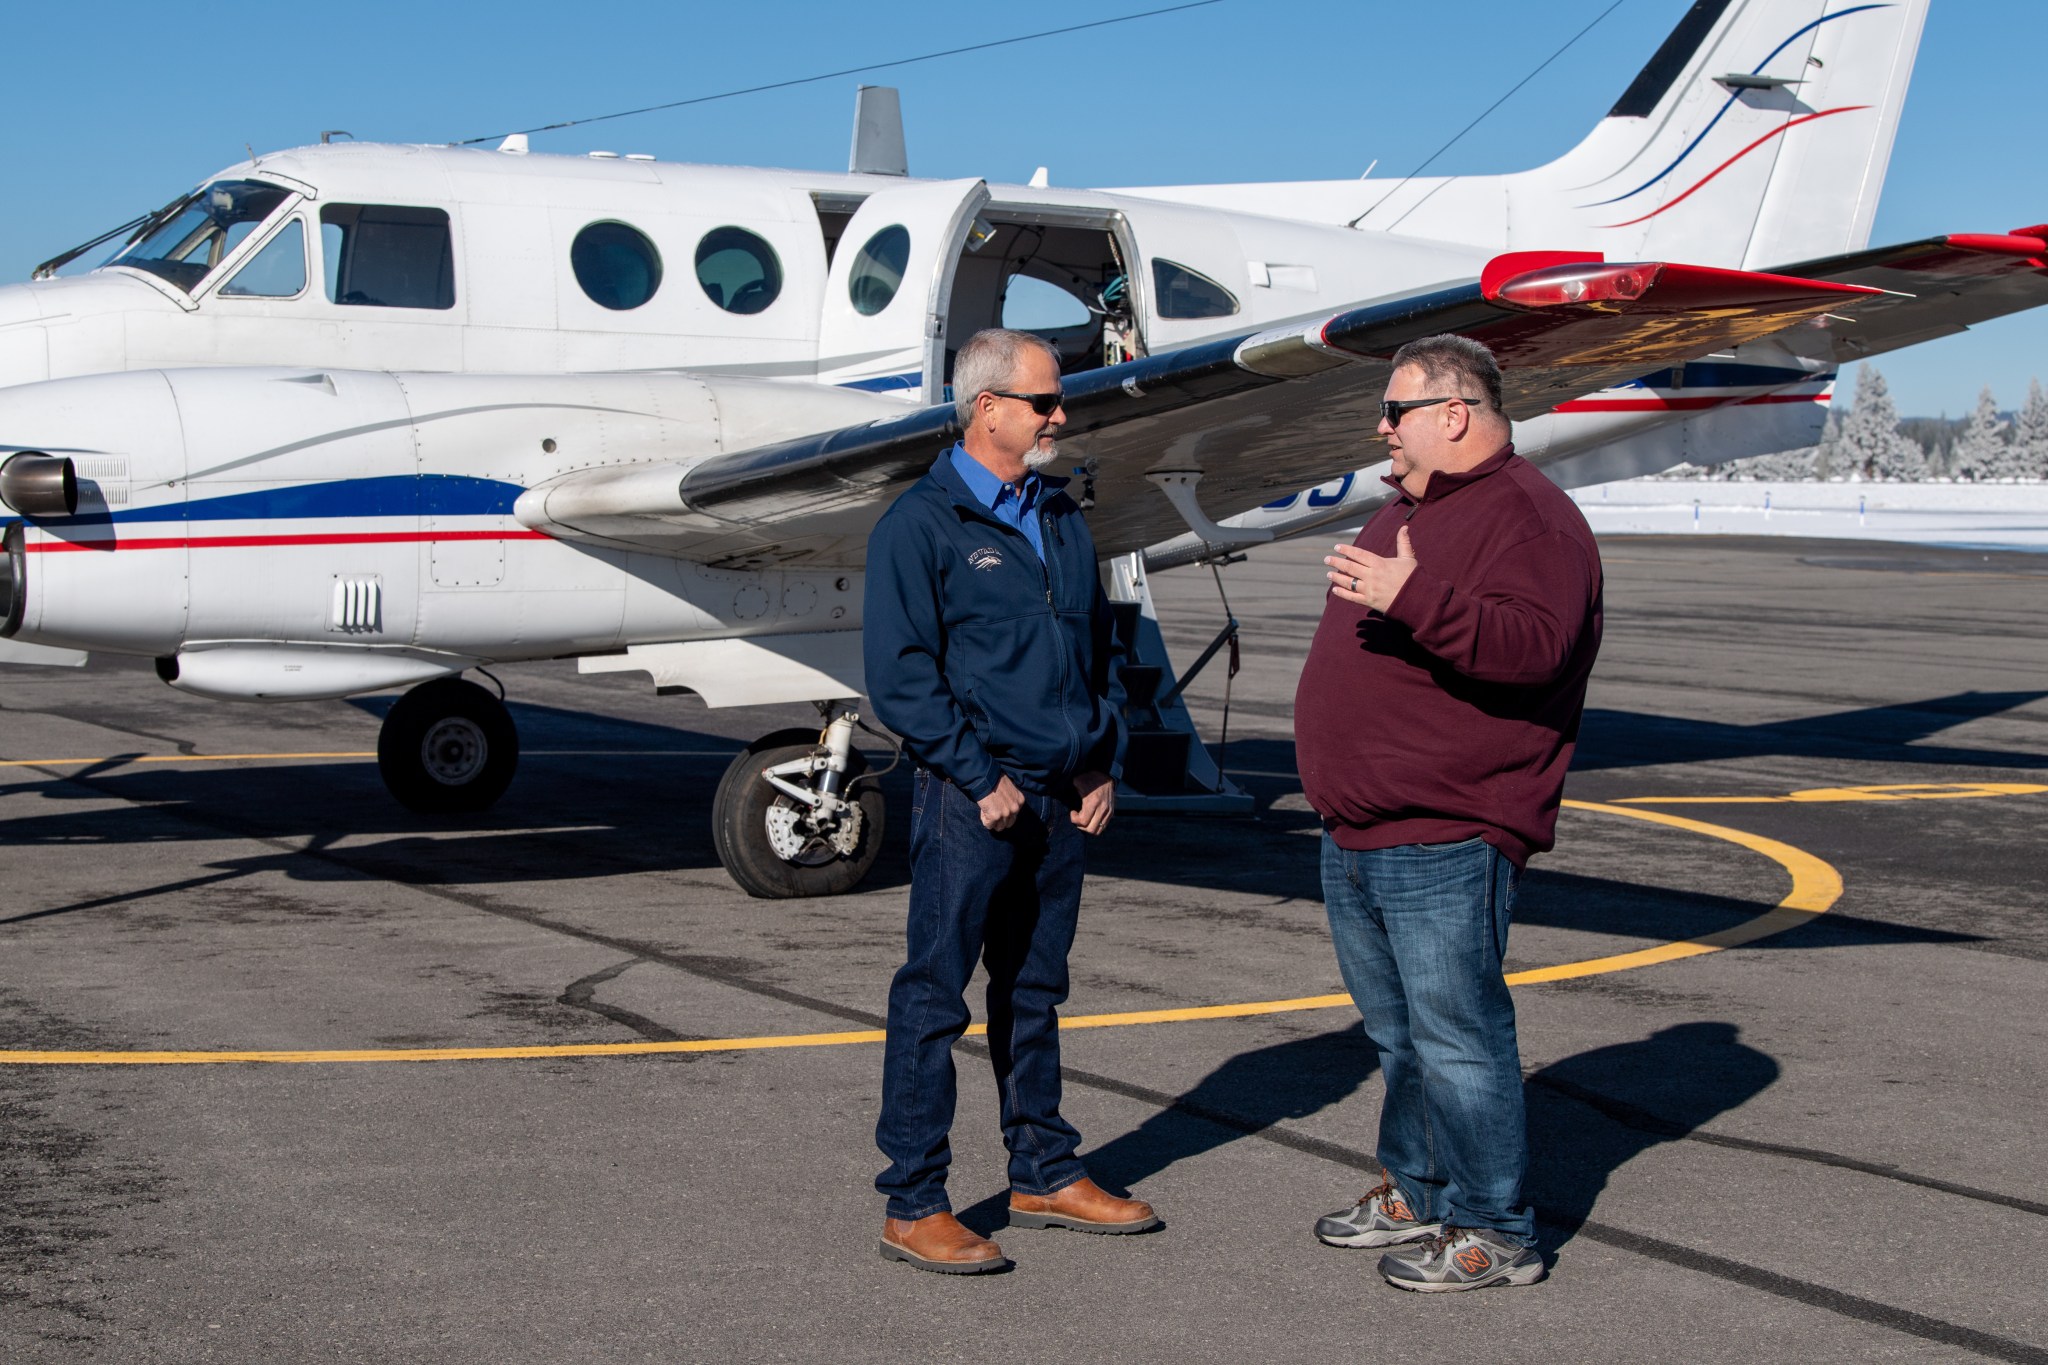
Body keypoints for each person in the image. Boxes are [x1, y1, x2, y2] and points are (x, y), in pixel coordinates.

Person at [1294, 334, 1603, 1291]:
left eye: (1395, 411)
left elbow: (1535, 648)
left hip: (1446, 831)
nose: (1380, 428)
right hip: (1361, 829)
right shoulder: (1413, 506)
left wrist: (1412, 592)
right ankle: (1421, 1184)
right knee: (1401, 1035)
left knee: (1459, 1037)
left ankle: (1497, 1230)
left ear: (1454, 413)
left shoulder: (1531, 519)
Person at [862, 328, 1156, 1275]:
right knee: (935, 997)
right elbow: (901, 679)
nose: (1059, 416)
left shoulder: (1062, 518)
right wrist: (977, 774)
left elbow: (1097, 653)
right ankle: (914, 1200)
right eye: (1044, 401)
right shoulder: (920, 522)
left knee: (1034, 991)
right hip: (970, 800)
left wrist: (1097, 758)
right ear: (988, 407)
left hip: (1062, 800)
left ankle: (1042, 1168)